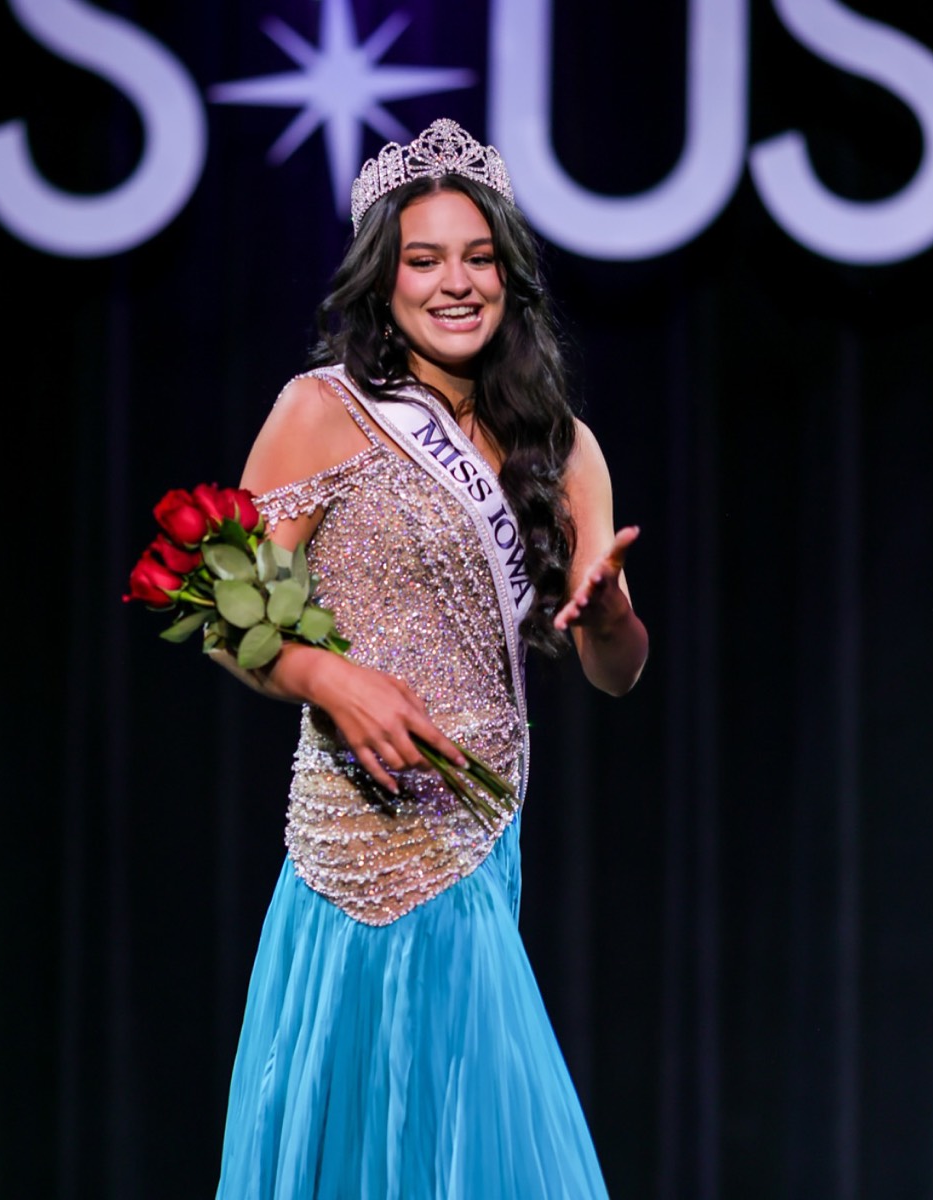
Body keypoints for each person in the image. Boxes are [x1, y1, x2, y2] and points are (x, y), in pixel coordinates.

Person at [213, 118, 648, 1199]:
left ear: (508, 273)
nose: (456, 283)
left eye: (478, 257)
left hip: (476, 849)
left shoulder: (564, 444)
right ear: (384, 278)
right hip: (347, 855)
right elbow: (226, 607)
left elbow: (617, 670)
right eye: (424, 259)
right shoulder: (320, 413)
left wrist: (605, 617)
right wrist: (327, 676)